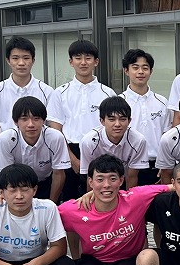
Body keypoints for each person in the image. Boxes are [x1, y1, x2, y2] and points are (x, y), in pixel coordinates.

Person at [56, 39, 118, 201]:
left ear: (96, 62)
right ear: (71, 62)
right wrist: (73, 160)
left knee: (99, 200)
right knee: (71, 202)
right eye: (78, 58)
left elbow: (113, 127)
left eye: (88, 58)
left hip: (100, 151)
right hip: (69, 152)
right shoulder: (60, 93)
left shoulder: (108, 93)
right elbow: (56, 130)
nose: (83, 62)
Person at [0, 36, 65, 140]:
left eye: (26, 58)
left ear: (33, 60)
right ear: (8, 60)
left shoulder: (47, 91)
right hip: (8, 146)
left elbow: (50, 124)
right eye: (15, 58)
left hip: (40, 147)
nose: (21, 63)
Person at [0, 97, 71, 202]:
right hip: (17, 184)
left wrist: (52, 203)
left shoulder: (55, 138)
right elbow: (5, 174)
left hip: (46, 183)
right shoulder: (5, 139)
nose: (31, 124)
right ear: (15, 121)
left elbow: (58, 173)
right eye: (24, 119)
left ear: (44, 120)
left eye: (36, 118)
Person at [121, 48, 170, 186]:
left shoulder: (162, 102)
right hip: (127, 166)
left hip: (155, 166)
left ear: (151, 71)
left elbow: (167, 135)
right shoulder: (119, 102)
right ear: (126, 71)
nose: (140, 72)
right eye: (135, 67)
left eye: (145, 68)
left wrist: (164, 164)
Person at [79, 96, 146, 190]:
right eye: (111, 119)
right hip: (99, 180)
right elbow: (90, 177)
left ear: (129, 121)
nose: (117, 124)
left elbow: (132, 176)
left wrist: (128, 198)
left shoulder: (138, 141)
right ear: (102, 121)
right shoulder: (89, 142)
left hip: (124, 180)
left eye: (122, 119)